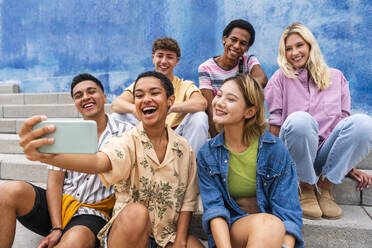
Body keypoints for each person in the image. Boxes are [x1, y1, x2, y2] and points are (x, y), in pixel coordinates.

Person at [19, 71, 204, 248]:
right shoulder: (126, 140)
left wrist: (180, 240)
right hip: (127, 231)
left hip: (165, 235)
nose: (146, 99)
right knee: (136, 213)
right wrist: (46, 156)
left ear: (170, 100)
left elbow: (188, 200)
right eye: (139, 95)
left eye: (154, 93)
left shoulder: (184, 148)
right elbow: (100, 162)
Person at [0, 73, 133, 248]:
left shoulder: (126, 132)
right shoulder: (64, 133)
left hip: (93, 212)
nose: (85, 97)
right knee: (8, 191)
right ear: (76, 104)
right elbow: (55, 183)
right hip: (60, 206)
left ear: (105, 96)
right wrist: (57, 227)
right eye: (78, 95)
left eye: (91, 91)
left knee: (73, 242)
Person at [265, 22, 372, 220]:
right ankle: (305, 188)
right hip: (294, 154)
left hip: (324, 155)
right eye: (288, 49)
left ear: (310, 46)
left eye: (299, 45)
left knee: (365, 124)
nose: (294, 52)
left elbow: (345, 128)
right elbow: (275, 127)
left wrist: (349, 165)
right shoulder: (280, 78)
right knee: (300, 121)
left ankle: (324, 188)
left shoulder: (337, 77)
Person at [197, 74, 303, 248]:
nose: (219, 102)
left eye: (230, 99)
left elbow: (288, 212)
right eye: (219, 95)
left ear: (250, 111)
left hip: (273, 233)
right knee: (268, 224)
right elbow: (215, 211)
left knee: (270, 225)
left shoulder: (275, 150)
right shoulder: (207, 155)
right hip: (232, 232)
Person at [111, 37, 208, 153]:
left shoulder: (185, 85)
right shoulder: (142, 83)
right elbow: (116, 104)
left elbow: (201, 103)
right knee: (118, 116)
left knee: (200, 117)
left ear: (176, 61)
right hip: (146, 133)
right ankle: (121, 160)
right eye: (160, 56)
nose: (164, 61)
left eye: (169, 57)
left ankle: (191, 166)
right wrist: (134, 109)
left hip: (176, 135)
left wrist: (171, 108)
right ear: (153, 58)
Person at [198, 19, 268, 137]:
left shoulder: (248, 60)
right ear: (224, 39)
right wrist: (217, 142)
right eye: (233, 40)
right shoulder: (206, 68)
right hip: (220, 122)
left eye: (243, 43)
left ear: (247, 48)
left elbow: (262, 79)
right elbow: (210, 109)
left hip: (243, 120)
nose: (236, 46)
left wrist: (234, 91)